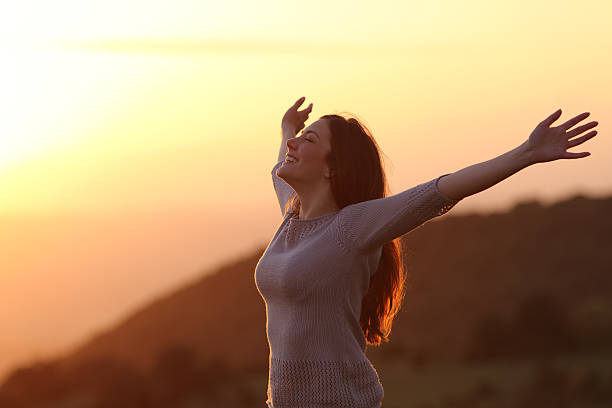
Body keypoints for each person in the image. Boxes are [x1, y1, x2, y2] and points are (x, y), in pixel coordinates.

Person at [254, 96, 598, 407]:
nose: (293, 145)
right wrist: (288, 127)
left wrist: (526, 153)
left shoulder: (352, 227)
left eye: (309, 140)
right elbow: (280, 163)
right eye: (296, 141)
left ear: (332, 168)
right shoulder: (292, 215)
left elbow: (439, 191)